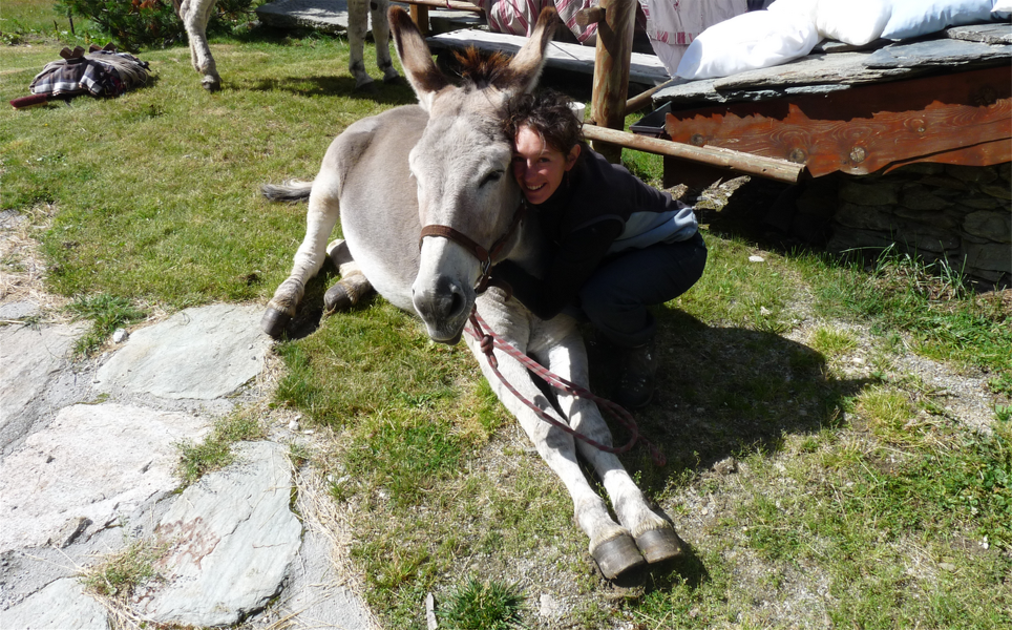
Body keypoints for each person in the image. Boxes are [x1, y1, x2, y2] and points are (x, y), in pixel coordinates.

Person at [491, 89, 707, 409]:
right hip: (624, 245)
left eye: (543, 160)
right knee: (579, 290)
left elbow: (548, 303)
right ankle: (616, 315)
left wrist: (494, 265)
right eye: (519, 160)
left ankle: (639, 347)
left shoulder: (594, 209)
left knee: (597, 298)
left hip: (677, 250)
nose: (527, 174)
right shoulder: (558, 173)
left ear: (572, 158)